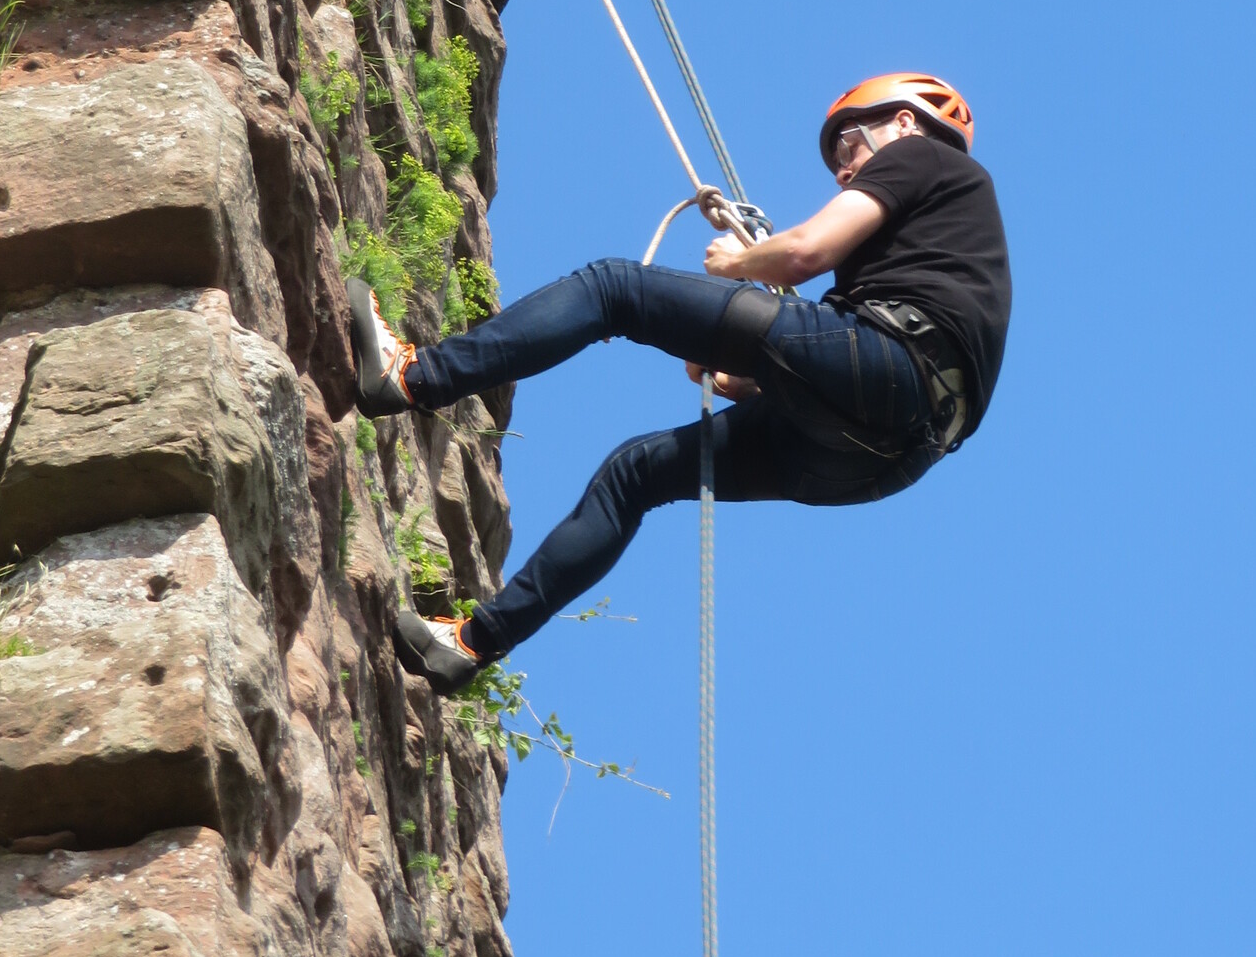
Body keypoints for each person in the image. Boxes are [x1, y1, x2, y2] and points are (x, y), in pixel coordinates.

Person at [350, 73, 1012, 697]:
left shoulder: (922, 156)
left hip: (891, 365)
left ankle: (412, 376)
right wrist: (746, 377)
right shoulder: (940, 242)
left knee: (614, 289)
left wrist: (738, 262)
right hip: (889, 455)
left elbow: (804, 253)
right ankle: (469, 645)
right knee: (635, 474)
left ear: (904, 123)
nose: (843, 167)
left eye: (848, 141)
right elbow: (847, 363)